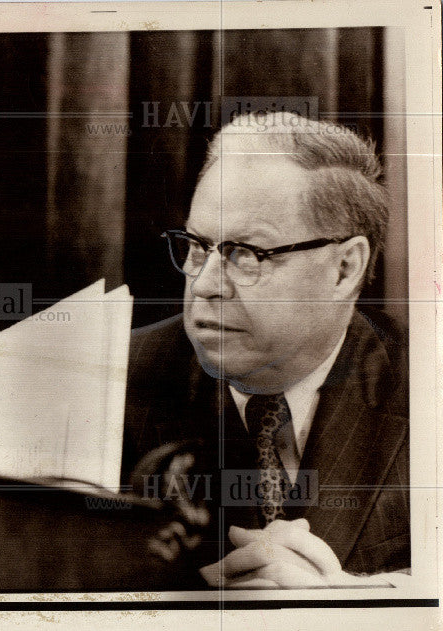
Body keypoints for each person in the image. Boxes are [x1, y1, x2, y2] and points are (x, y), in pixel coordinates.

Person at [123, 113, 409, 588]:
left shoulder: (424, 385)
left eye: (245, 254)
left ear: (344, 268)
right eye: (198, 247)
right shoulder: (114, 381)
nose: (206, 285)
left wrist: (367, 599)